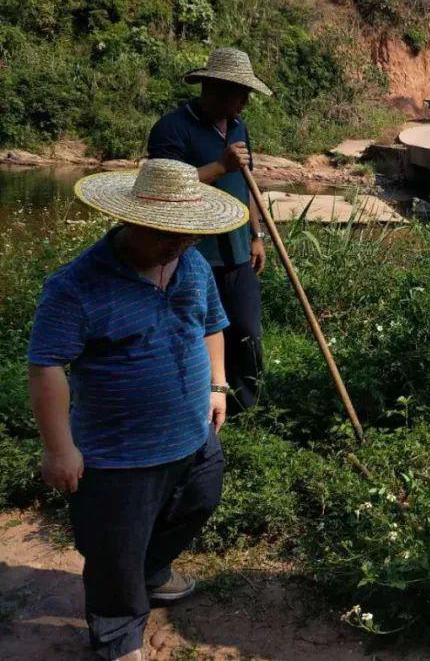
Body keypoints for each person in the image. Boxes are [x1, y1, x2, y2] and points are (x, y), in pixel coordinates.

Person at [27, 159, 250, 661]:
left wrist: (217, 385)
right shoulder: (75, 286)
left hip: (194, 435)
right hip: (119, 457)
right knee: (113, 555)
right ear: (129, 221)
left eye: (186, 234)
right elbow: (46, 368)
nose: (176, 244)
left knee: (199, 500)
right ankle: (118, 638)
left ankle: (152, 573)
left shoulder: (190, 263)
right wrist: (59, 448)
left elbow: (212, 324)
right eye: (164, 234)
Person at [148, 48, 273, 412]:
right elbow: (162, 188)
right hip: (191, 253)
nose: (246, 102)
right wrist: (219, 165)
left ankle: (247, 409)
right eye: (240, 93)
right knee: (194, 331)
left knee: (246, 331)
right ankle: (195, 408)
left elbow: (247, 184)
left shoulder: (238, 127)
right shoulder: (172, 128)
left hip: (237, 252)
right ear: (213, 88)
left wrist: (256, 235)